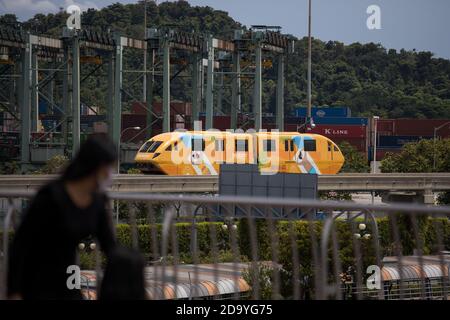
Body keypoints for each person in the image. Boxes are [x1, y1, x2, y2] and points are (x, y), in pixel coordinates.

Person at [7, 135, 117, 300]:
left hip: (68, 281)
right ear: (97, 166)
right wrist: (14, 291)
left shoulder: (97, 202)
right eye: (109, 167)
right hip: (38, 282)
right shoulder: (50, 197)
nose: (111, 174)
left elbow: (110, 246)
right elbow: (21, 246)